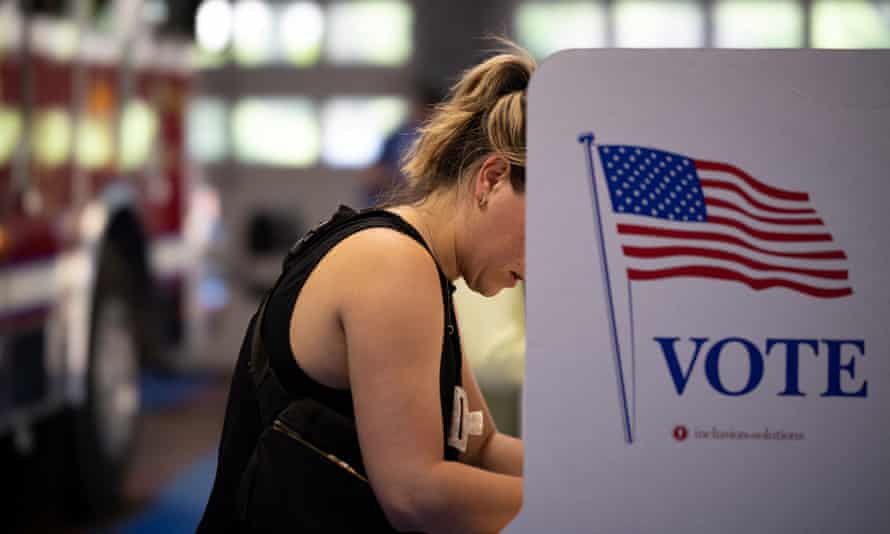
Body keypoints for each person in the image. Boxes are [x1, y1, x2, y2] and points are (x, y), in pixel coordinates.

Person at [198, 42, 533, 534]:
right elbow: (416, 491)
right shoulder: (393, 263)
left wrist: (592, 479)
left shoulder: (425, 268)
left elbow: (479, 446)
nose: (538, 265)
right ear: (493, 178)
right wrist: (582, 506)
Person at [357, 84, 440, 207]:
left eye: (425, 109)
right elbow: (378, 169)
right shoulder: (398, 136)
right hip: (397, 190)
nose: (419, 113)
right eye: (418, 108)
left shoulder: (439, 137)